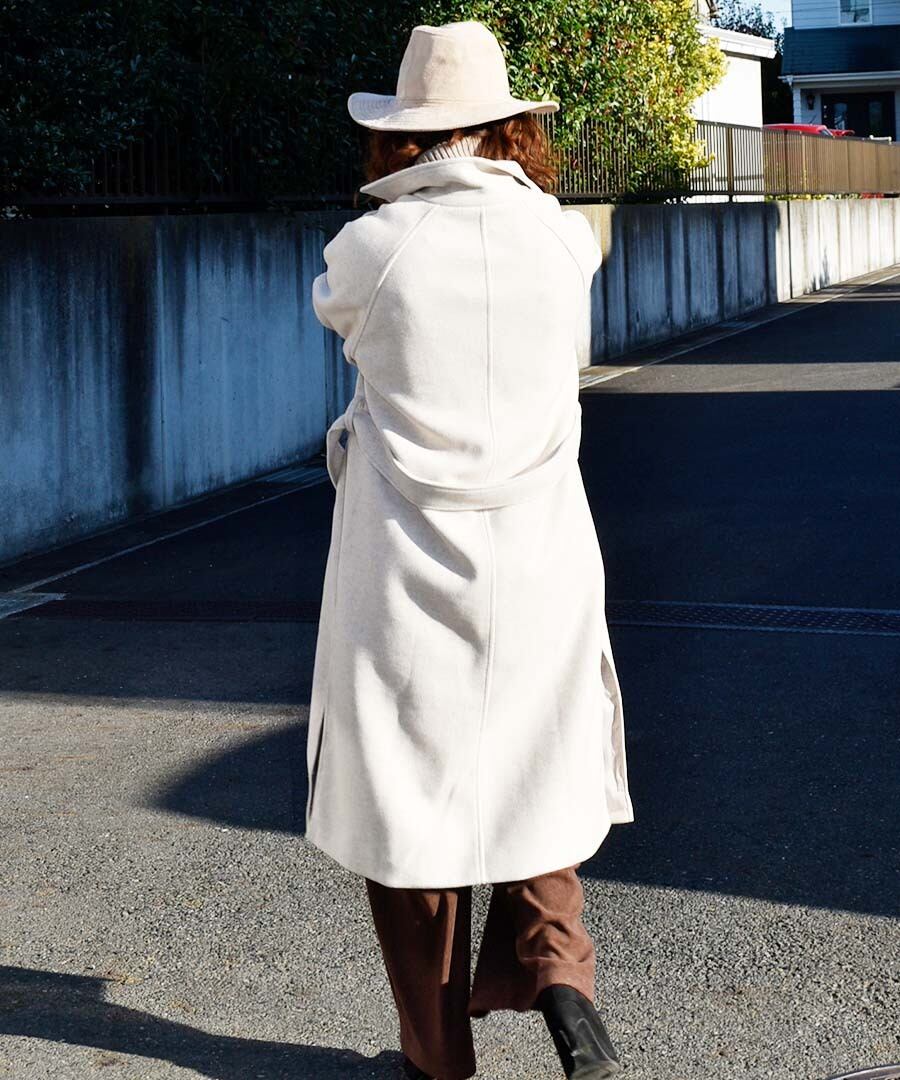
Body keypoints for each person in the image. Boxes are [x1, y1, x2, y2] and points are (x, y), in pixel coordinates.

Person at [305, 19, 635, 1080]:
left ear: (404, 131)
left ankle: (437, 1058)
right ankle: (561, 978)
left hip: (408, 559)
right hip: (539, 552)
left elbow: (339, 315)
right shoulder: (562, 240)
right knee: (537, 766)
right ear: (506, 125)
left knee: (410, 804)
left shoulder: (372, 249)